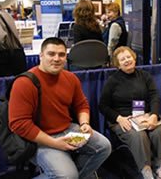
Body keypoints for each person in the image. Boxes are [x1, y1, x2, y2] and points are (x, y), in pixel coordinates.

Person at [9, 37, 111, 178]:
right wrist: (55, 143)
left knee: (104, 147)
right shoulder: (24, 83)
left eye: (61, 55)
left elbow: (81, 104)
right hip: (39, 138)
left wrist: (84, 123)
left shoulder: (70, 78)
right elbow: (18, 124)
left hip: (68, 130)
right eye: (51, 54)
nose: (57, 59)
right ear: (41, 56)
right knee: (66, 175)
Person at [99, 46, 161, 179]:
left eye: (129, 57)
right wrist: (119, 118)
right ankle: (146, 171)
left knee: (160, 130)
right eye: (122, 59)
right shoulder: (112, 81)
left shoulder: (145, 76)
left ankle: (159, 166)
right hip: (123, 119)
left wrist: (154, 115)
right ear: (118, 65)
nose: (127, 61)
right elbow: (103, 106)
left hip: (145, 116)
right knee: (139, 135)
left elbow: (154, 97)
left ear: (134, 58)